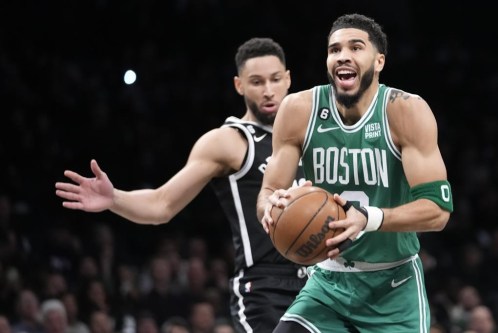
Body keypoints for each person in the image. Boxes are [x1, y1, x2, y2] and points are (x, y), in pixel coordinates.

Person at [55, 37, 307, 332]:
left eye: (275, 79)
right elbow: (162, 204)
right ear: (239, 85)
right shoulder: (229, 140)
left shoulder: (312, 136)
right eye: (256, 82)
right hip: (266, 288)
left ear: (288, 79)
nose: (268, 90)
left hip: (322, 282)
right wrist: (115, 199)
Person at [256, 13, 454, 332]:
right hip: (327, 284)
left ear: (378, 61)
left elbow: (438, 211)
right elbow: (268, 193)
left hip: (393, 288)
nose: (343, 55)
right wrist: (271, 208)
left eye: (355, 47)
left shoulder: (405, 111)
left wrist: (369, 218)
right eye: (334, 50)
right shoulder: (298, 110)